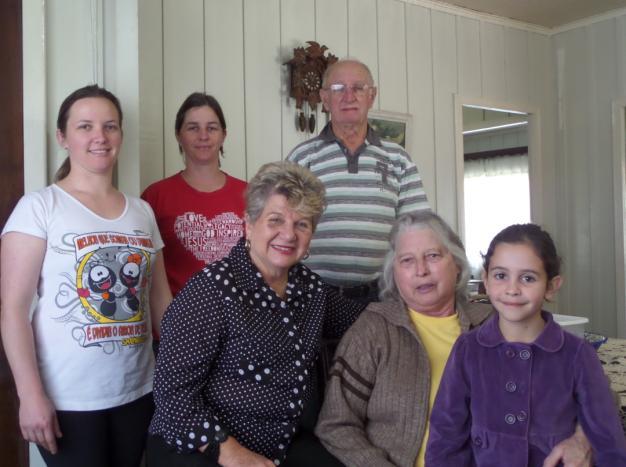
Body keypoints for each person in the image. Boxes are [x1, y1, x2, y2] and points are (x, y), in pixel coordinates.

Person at [315, 212, 593, 467]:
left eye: (433, 256)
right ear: (394, 274)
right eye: (407, 260)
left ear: (458, 265)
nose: (421, 270)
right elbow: (336, 424)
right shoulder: (374, 329)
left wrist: (581, 438)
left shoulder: (496, 321)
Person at [147, 161, 365, 467]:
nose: (288, 234)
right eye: (275, 220)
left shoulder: (310, 290)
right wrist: (231, 453)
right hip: (199, 445)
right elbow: (173, 398)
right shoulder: (210, 290)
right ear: (249, 224)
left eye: (302, 224)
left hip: (282, 442)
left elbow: (365, 318)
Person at [0, 85, 172, 467]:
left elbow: (160, 302)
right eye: (85, 126)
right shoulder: (39, 207)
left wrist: (179, 374)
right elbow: (13, 311)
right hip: (68, 401)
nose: (100, 137)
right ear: (63, 137)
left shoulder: (141, 211)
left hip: (139, 391)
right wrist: (30, 395)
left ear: (121, 136)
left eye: (110, 126)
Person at [426, 224, 626, 466]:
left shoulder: (577, 355)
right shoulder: (468, 350)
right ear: (486, 281)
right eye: (501, 275)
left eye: (528, 278)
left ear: (551, 286)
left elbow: (609, 445)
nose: (512, 289)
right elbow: (446, 438)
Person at [287, 58, 430, 302]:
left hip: (381, 296)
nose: (348, 96)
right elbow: (285, 226)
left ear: (371, 96)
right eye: (338, 88)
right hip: (312, 294)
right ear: (324, 98)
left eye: (358, 88)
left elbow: (418, 230)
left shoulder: (399, 159)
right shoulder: (302, 158)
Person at [142, 92, 247, 298]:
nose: (203, 136)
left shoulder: (251, 194)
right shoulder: (155, 196)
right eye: (193, 128)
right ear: (178, 135)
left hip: (238, 322)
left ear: (223, 135)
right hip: (179, 322)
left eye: (211, 128)